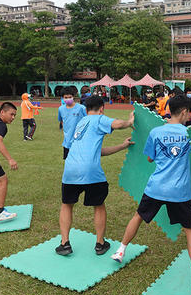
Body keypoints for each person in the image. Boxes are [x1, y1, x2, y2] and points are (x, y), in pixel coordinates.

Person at [110, 95, 191, 289]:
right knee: (189, 230)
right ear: (185, 112)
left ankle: (120, 251)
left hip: (156, 187)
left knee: (138, 216)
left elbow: (149, 159)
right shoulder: (190, 134)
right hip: (180, 191)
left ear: (169, 110)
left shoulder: (156, 132)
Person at [56, 96, 134, 256]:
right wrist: (130, 122)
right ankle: (100, 243)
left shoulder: (81, 123)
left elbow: (95, 151)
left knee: (66, 204)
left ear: (85, 110)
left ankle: (65, 243)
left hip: (70, 169)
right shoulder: (98, 118)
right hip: (90, 171)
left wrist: (121, 146)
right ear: (102, 109)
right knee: (99, 205)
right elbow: (118, 124)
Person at [57, 87, 87, 160]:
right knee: (68, 162)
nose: (68, 99)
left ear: (73, 96)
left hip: (79, 142)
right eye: (66, 97)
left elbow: (87, 121)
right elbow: (62, 121)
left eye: (70, 97)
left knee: (80, 162)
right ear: (62, 98)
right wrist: (65, 132)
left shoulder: (81, 108)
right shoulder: (61, 109)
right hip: (67, 142)